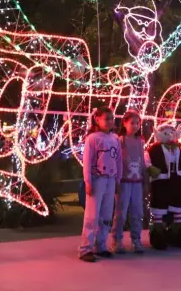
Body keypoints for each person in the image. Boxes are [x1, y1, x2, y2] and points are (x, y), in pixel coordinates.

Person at [78, 107, 122, 262]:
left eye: (112, 118)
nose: (110, 121)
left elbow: (118, 161)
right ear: (97, 119)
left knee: (106, 214)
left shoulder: (115, 138)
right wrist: (88, 182)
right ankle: (85, 248)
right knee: (92, 215)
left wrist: (118, 180)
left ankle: (101, 245)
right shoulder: (92, 138)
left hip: (111, 180)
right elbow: (87, 162)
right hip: (97, 180)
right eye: (106, 118)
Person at [110, 110, 146, 254]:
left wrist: (145, 177)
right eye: (132, 123)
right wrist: (116, 180)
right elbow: (116, 160)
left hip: (137, 181)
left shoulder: (140, 141)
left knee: (137, 212)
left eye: (138, 123)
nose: (135, 125)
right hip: (124, 181)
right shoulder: (120, 140)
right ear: (124, 123)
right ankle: (116, 240)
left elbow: (142, 161)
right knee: (121, 212)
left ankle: (136, 239)